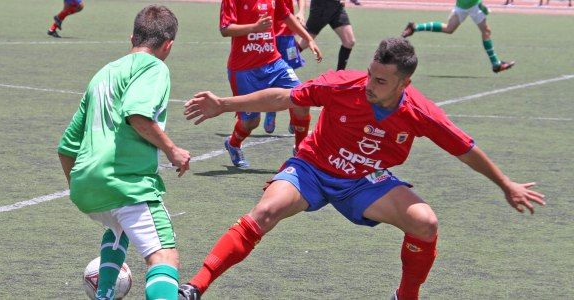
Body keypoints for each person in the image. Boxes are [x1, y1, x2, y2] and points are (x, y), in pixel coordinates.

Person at [178, 37, 545, 300]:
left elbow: (465, 149)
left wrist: (505, 184)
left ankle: (406, 296)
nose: (370, 85)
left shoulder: (420, 112)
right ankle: (195, 287)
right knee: (266, 210)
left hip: (363, 181)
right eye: (370, 74)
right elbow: (284, 97)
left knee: (425, 223)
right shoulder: (343, 85)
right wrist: (224, 104)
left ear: (405, 83)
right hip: (312, 168)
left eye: (381, 81)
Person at [57, 5, 190, 300]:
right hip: (127, 184)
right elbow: (137, 114)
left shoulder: (102, 74)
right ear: (168, 45)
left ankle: (104, 294)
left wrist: (82, 185)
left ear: (132, 37)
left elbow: (66, 148)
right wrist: (172, 150)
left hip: (86, 187)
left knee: (120, 226)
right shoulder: (155, 67)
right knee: (164, 258)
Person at [218, 0, 322, 169]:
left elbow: (286, 15)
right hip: (244, 70)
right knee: (251, 122)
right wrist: (254, 27)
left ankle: (300, 151)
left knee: (302, 99)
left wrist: (308, 38)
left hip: (274, 63)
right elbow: (225, 29)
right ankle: (233, 144)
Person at [401, 0, 515, 73]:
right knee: (485, 31)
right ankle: (496, 64)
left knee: (449, 28)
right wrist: (482, 6)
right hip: (472, 4)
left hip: (464, 4)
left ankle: (415, 27)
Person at [265, 0, 311, 147]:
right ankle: (271, 111)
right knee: (271, 76)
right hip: (268, 35)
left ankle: (294, 116)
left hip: (287, 34)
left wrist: (301, 12)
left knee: (289, 76)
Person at [297, 0, 359, 71]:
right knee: (303, 43)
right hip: (321, 9)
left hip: (337, 8)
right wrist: (301, 12)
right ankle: (284, 61)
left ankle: (339, 74)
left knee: (349, 41)